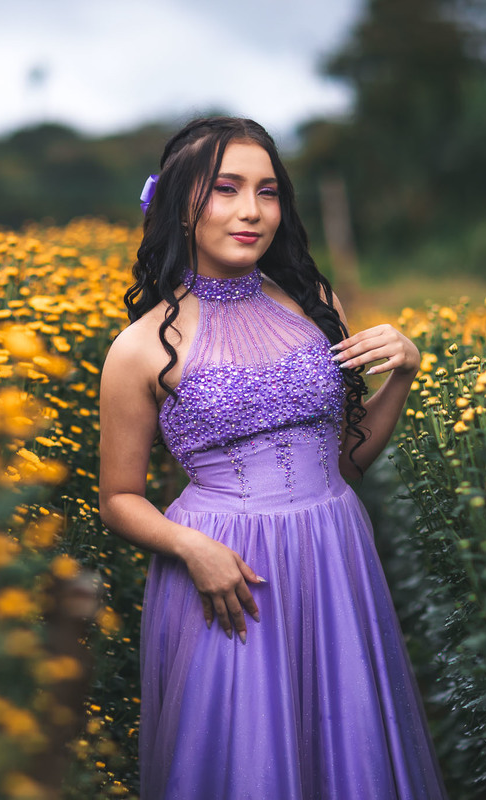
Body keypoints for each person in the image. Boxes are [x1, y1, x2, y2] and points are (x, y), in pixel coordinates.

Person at [99, 117, 446, 799]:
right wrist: (190, 549)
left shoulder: (316, 305)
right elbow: (118, 499)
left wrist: (401, 375)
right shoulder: (138, 348)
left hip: (333, 550)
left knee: (344, 749)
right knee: (247, 763)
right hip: (227, 570)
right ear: (180, 205)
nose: (252, 211)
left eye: (268, 191)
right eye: (226, 189)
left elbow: (344, 465)